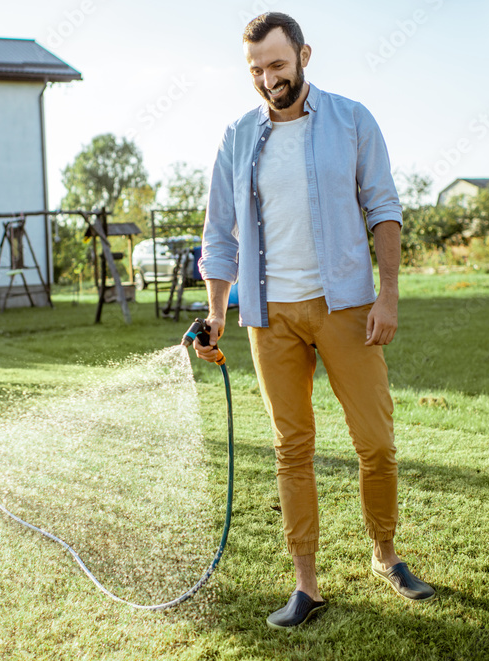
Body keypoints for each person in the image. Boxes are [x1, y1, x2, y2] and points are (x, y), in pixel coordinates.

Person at [195, 12, 435, 630]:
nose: (267, 78)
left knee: (375, 442)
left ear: (305, 55)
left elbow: (383, 207)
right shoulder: (237, 137)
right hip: (268, 315)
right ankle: (306, 586)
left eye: (276, 65)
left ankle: (385, 555)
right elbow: (219, 235)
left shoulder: (352, 120)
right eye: (255, 69)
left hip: (347, 307)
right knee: (290, 449)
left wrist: (388, 295)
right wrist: (219, 311)